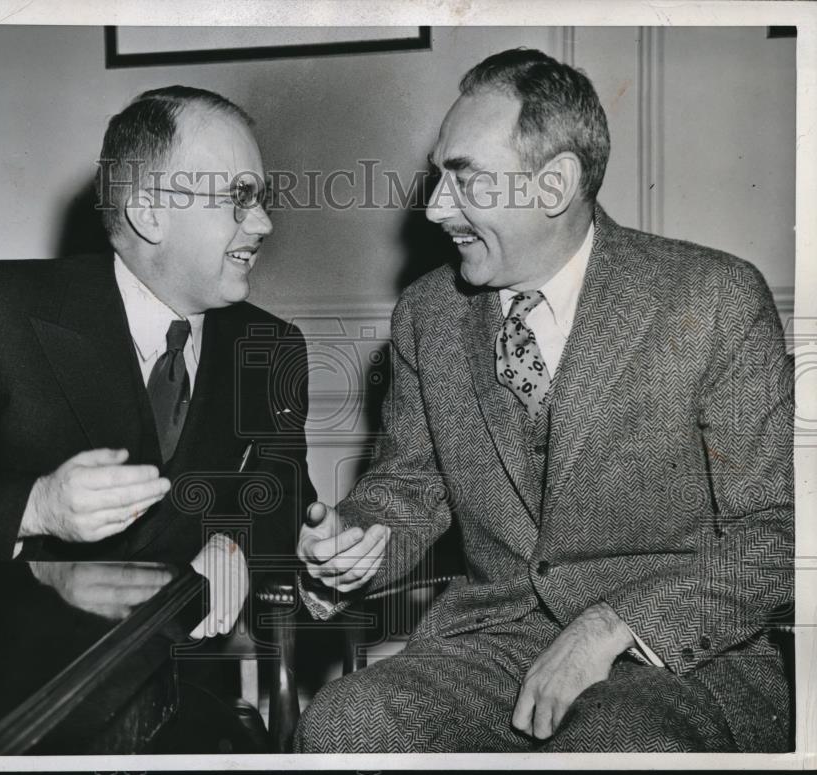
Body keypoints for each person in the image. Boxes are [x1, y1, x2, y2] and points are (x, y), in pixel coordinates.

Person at [295, 48, 793, 753]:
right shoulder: (427, 313)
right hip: (497, 642)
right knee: (343, 724)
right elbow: (408, 489)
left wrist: (612, 624)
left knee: (613, 745)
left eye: (462, 179)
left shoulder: (712, 298)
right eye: (438, 176)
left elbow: (777, 532)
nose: (435, 208)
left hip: (682, 651)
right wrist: (357, 542)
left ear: (553, 184)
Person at [0, 87, 315, 589]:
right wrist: (34, 507)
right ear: (149, 214)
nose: (264, 223)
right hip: (23, 658)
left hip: (190, 658)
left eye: (261, 199)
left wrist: (238, 545)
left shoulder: (272, 346)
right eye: (239, 198)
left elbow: (284, 494)